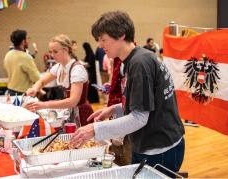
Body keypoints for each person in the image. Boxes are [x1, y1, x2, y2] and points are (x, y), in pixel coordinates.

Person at [70, 11, 185, 174]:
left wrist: (94, 129)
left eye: (104, 40)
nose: (100, 45)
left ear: (121, 35)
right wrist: (115, 108)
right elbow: (145, 101)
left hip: (159, 148)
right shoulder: (133, 60)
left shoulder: (140, 63)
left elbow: (139, 117)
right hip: (150, 143)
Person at [25, 34, 94, 126]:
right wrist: (35, 89)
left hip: (82, 113)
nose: (52, 55)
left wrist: (44, 105)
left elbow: (73, 101)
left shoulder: (77, 69)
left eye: (55, 52)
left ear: (65, 50)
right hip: (69, 111)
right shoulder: (59, 67)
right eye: (51, 52)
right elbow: (42, 81)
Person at [4, 29, 40, 95]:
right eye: (27, 39)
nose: (28, 41)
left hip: (10, 91)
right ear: (23, 42)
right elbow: (36, 78)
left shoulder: (8, 54)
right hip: (23, 93)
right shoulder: (26, 57)